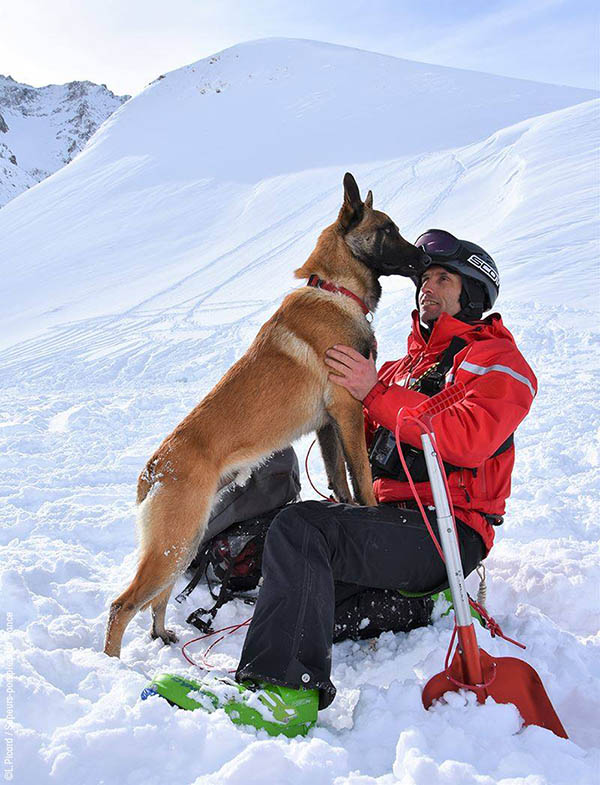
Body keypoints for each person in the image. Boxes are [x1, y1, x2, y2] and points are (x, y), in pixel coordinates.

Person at [145, 229, 537, 738]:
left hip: (444, 530)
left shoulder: (497, 362)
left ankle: (284, 696)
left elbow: (465, 438)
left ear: (475, 292)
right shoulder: (400, 366)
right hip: (390, 527)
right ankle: (421, 601)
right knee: (304, 603)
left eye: (444, 278)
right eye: (424, 278)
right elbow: (352, 425)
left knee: (303, 527)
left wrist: (376, 392)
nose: (427, 287)